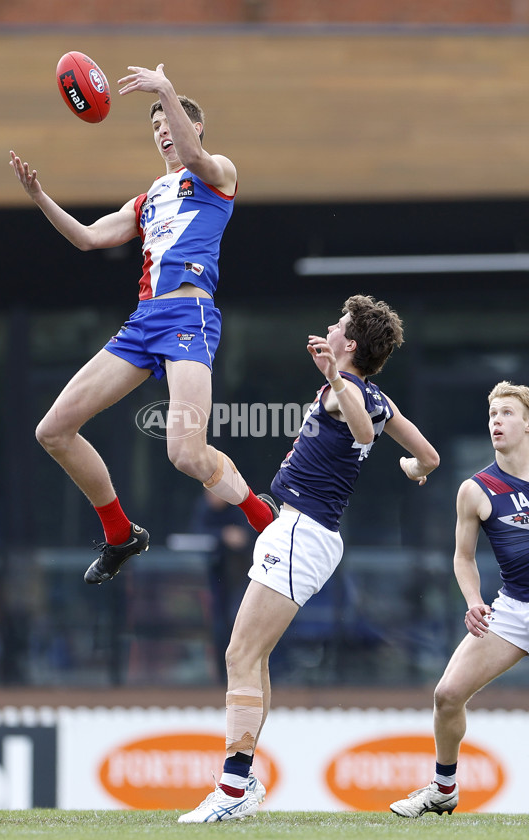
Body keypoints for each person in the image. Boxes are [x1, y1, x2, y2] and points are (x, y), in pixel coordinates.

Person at [9, 63, 277, 585]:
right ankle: (120, 533)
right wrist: (39, 197)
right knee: (53, 430)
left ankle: (261, 516)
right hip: (144, 321)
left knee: (185, 453)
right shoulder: (150, 197)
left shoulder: (217, 170)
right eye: (154, 130)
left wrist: (166, 91)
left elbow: (196, 156)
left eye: (169, 125)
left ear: (192, 126)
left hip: (189, 314)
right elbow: (88, 238)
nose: (163, 136)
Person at [178, 294, 440, 822]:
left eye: (339, 324)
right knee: (252, 657)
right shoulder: (375, 396)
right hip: (298, 530)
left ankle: (232, 791)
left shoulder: (351, 392)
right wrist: (415, 468)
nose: (330, 326)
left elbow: (363, 429)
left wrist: (336, 380)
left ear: (351, 343)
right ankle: (240, 782)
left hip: (302, 531)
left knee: (239, 654)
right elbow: (428, 455)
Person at [390, 380, 529, 818]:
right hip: (513, 610)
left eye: (507, 413)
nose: (497, 421)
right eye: (492, 415)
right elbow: (462, 558)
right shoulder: (476, 489)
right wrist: (473, 599)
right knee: (447, 695)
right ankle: (444, 789)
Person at [190, 489, 256, 680]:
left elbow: (250, 533)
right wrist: (223, 535)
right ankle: (221, 674)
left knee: (241, 621)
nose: (212, 497)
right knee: (219, 625)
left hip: (241, 575)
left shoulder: (238, 506)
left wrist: (238, 538)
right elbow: (196, 532)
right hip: (212, 578)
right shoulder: (203, 507)